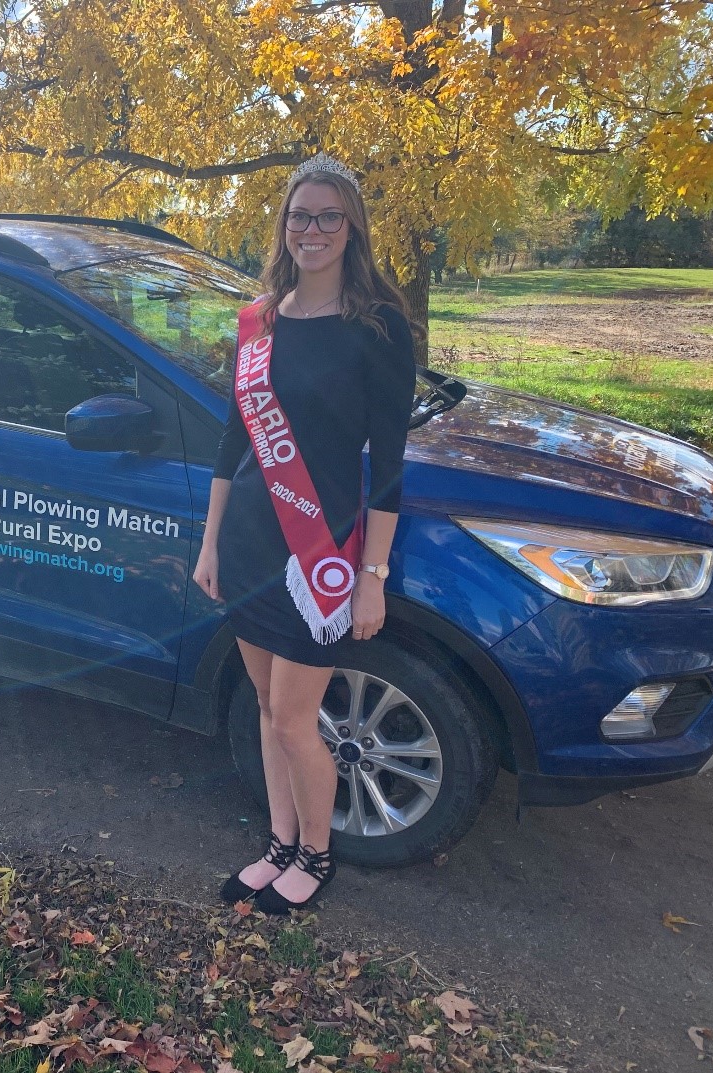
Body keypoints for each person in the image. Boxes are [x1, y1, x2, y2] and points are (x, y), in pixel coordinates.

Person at [192, 151, 416, 915]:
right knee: (264, 705)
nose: (310, 230)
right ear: (283, 225)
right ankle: (278, 844)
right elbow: (233, 442)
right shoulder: (258, 319)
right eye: (298, 215)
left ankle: (316, 855)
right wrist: (210, 542)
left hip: (318, 551)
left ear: (350, 229)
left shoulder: (378, 328)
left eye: (326, 216)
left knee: (294, 718)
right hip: (252, 539)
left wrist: (370, 576)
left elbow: (387, 466)